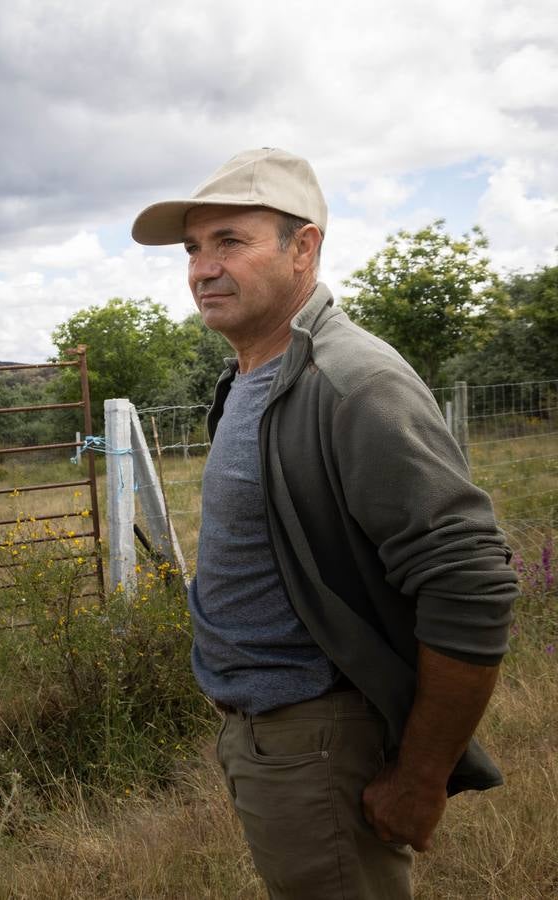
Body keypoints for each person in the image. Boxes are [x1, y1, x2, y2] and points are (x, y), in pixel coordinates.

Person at [130, 148, 518, 899]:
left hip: (319, 739)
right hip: (272, 738)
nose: (202, 269)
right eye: (193, 249)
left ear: (302, 248)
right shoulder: (254, 371)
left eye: (230, 242)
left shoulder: (351, 382)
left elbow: (470, 582)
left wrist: (421, 777)